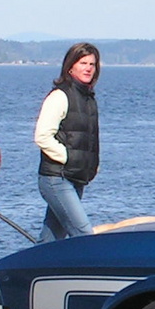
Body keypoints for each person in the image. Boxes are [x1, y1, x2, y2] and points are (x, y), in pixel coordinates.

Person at [35, 43, 101, 241]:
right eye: (83, 63)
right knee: (84, 236)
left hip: (77, 178)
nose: (89, 68)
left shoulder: (88, 99)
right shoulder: (59, 96)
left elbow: (88, 139)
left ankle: (29, 271)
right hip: (57, 178)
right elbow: (42, 136)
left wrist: (92, 165)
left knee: (50, 241)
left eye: (92, 64)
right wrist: (69, 158)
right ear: (70, 66)